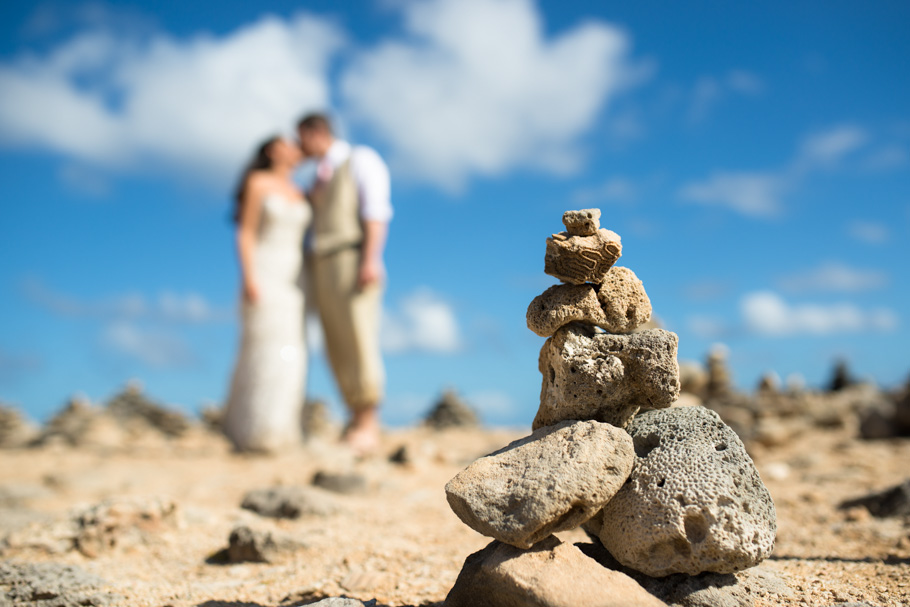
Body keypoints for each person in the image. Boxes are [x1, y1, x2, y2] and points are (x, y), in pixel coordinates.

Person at [297, 113, 392, 455]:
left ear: (315, 132)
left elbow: (376, 210)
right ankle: (355, 417)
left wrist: (371, 258)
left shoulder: (360, 159)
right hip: (321, 264)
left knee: (358, 336)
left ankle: (369, 422)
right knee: (334, 340)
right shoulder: (317, 174)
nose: (299, 146)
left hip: (350, 256)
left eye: (301, 138)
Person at [222, 136, 311, 452]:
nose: (296, 148)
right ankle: (254, 430)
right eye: (288, 143)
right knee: (264, 345)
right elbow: (245, 231)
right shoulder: (257, 182)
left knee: (294, 349)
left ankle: (283, 428)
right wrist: (250, 277)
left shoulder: (300, 191)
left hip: (296, 276)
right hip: (266, 268)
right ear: (273, 150)